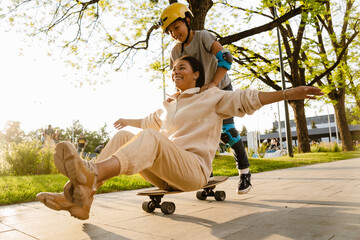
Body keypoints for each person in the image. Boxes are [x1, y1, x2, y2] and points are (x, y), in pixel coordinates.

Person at [37, 55, 323, 220]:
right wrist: (127, 120)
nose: (175, 72)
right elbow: (148, 123)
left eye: (181, 68)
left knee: (151, 137)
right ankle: (80, 198)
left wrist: (287, 93)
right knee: (126, 135)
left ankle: (89, 177)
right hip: (165, 171)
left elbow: (246, 99)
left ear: (196, 74)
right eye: (173, 69)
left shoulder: (213, 97)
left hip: (194, 171)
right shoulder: (169, 104)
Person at [159, 3, 253, 194]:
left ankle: (244, 172)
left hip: (220, 89)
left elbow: (226, 58)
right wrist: (177, 94)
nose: (174, 34)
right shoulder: (175, 52)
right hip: (197, 97)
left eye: (176, 28)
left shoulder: (203, 36)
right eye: (170, 31)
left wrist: (213, 83)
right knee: (195, 134)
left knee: (226, 132)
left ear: (187, 20)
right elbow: (177, 75)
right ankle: (205, 174)